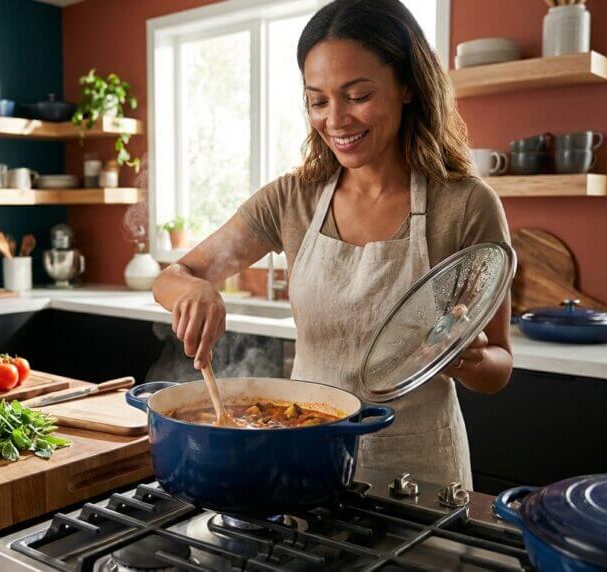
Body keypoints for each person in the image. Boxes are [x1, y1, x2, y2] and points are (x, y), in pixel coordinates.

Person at [152, 0, 512, 487]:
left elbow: (500, 369)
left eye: (358, 95)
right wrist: (193, 292)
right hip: (306, 460)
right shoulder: (292, 198)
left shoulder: (466, 205)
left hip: (419, 470)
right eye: (318, 101)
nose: (336, 120)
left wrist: (467, 358)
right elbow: (174, 277)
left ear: (408, 86)